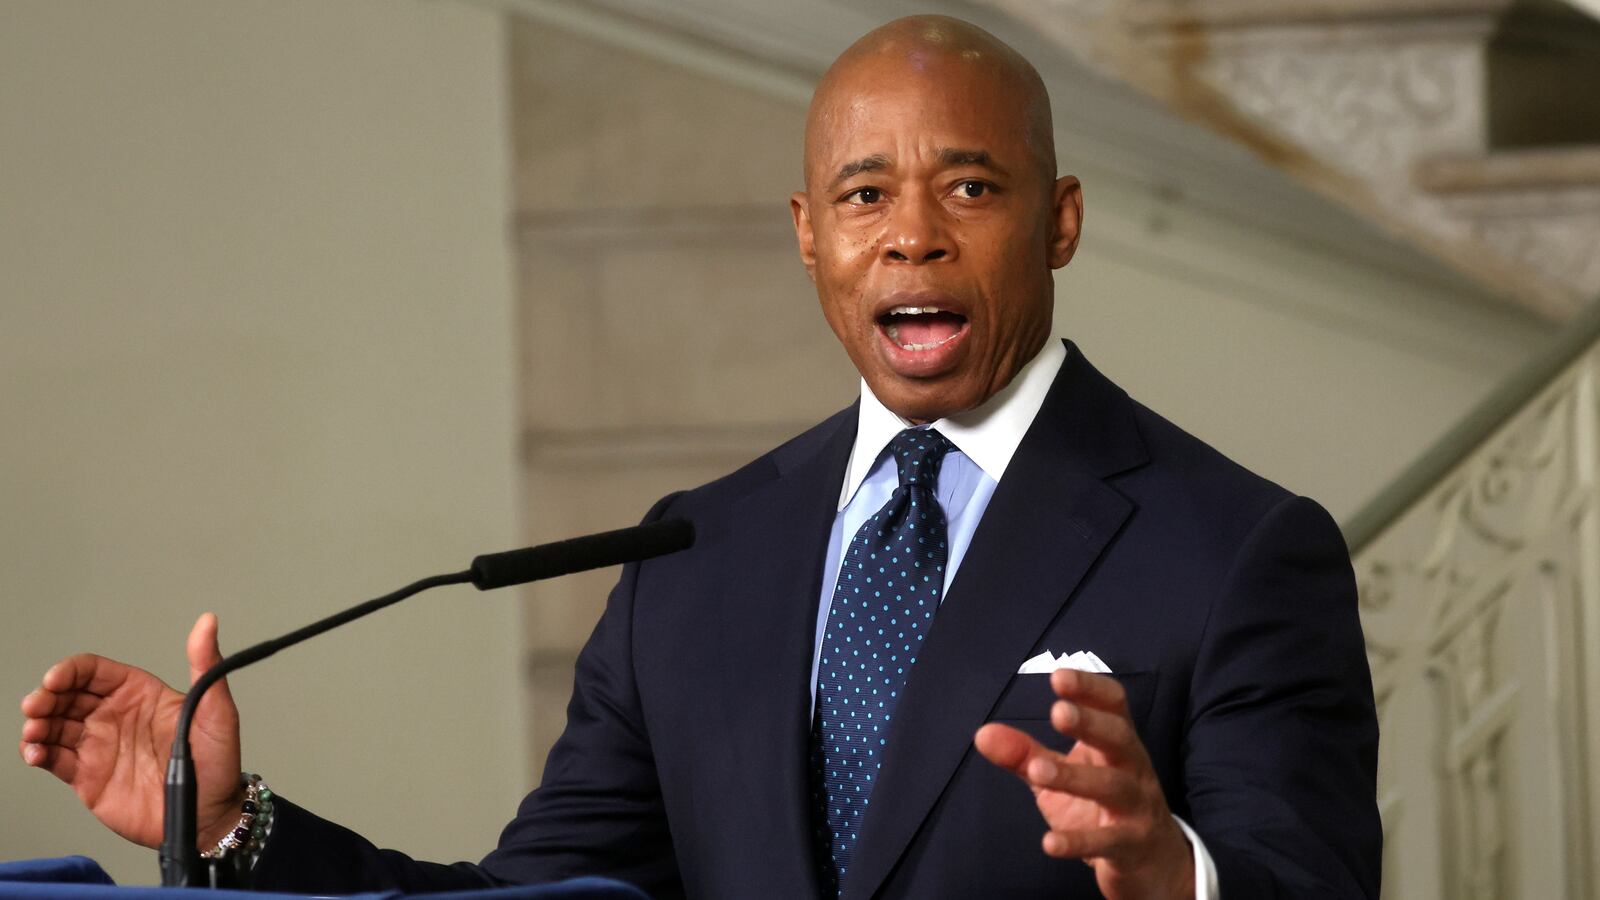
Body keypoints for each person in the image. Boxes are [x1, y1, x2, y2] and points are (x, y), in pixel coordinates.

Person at [18, 15, 1380, 899]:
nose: (912, 236)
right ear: (807, 233)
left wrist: (1177, 875)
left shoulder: (1238, 548)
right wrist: (233, 826)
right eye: (864, 196)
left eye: (971, 187)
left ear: (1062, 219)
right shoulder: (699, 555)